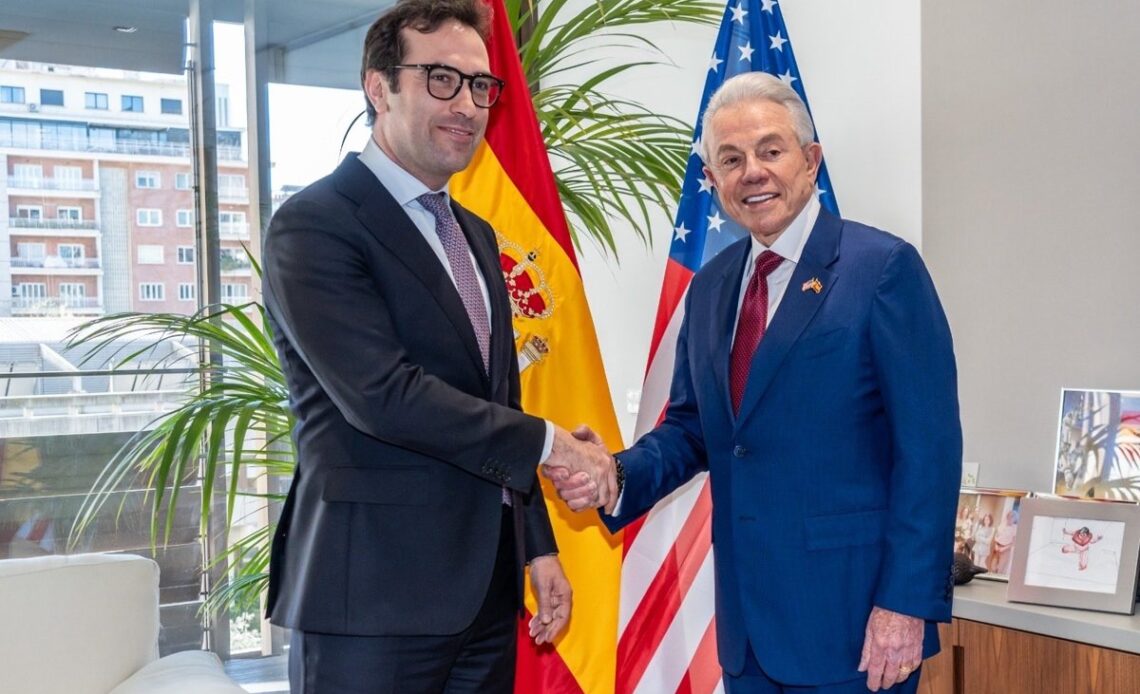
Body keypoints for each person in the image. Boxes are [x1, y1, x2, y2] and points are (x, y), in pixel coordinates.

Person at [548, 72, 961, 693]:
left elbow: (929, 453)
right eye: (731, 159)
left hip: (856, 626)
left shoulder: (882, 269)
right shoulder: (711, 286)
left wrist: (905, 603)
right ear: (711, 180)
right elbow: (693, 428)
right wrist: (616, 473)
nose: (753, 173)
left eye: (771, 150)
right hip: (748, 630)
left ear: (810, 161)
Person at [261, 1, 613, 691]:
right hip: (370, 601)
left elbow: (498, 399)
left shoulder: (476, 234)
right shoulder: (315, 225)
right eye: (441, 79)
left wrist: (536, 547)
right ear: (379, 87)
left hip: (484, 597)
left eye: (481, 85)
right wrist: (552, 446)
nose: (468, 105)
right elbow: (384, 396)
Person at [989, 509, 1018, 574]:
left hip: (1005, 550)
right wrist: (996, 545)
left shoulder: (1015, 528)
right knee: (993, 567)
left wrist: (1004, 548)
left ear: (1015, 519)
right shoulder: (1002, 525)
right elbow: (996, 536)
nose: (1010, 519)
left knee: (1000, 569)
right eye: (1009, 517)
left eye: (1012, 517)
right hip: (997, 547)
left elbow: (1014, 543)